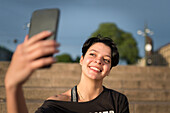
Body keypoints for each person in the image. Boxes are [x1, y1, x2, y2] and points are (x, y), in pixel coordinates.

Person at [5, 31, 130, 113]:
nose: (98, 61)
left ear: (109, 70)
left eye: (106, 60)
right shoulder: (57, 104)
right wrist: (13, 87)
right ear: (81, 59)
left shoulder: (117, 100)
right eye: (92, 54)